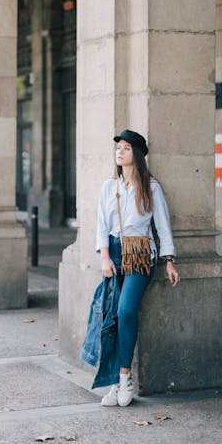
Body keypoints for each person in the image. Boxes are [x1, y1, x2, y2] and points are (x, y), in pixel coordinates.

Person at [95, 129, 179, 407]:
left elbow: (163, 227)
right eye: (118, 148)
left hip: (141, 253)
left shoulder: (152, 187)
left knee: (126, 310)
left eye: (126, 148)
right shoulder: (110, 187)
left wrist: (169, 261)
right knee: (113, 318)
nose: (120, 152)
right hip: (115, 251)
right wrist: (105, 257)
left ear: (138, 154)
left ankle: (125, 375)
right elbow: (102, 226)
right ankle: (114, 382)